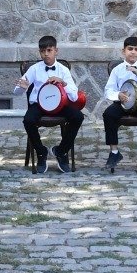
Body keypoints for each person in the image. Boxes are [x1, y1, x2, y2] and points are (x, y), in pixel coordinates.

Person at [14, 34, 84, 174]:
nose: (46, 54)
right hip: (39, 105)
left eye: (49, 50)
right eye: (43, 51)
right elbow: (16, 92)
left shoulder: (63, 70)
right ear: (40, 52)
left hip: (60, 105)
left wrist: (63, 83)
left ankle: (61, 151)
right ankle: (41, 152)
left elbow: (74, 95)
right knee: (28, 120)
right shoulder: (34, 69)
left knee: (78, 117)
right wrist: (23, 86)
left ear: (56, 51)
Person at [101, 35, 137, 175]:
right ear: (123, 51)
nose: (133, 52)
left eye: (136, 49)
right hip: (123, 103)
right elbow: (108, 90)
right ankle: (114, 152)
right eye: (130, 49)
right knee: (108, 114)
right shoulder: (117, 70)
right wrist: (118, 96)